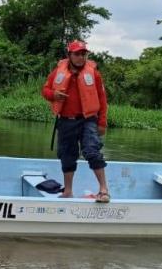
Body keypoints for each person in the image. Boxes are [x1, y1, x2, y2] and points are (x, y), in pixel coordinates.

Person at [41, 40, 110, 203]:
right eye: (77, 54)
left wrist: (102, 122)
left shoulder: (94, 74)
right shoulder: (58, 71)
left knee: (92, 151)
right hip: (66, 121)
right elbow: (45, 90)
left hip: (88, 120)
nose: (81, 57)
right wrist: (54, 95)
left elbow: (102, 98)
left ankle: (104, 190)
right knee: (67, 155)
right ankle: (68, 192)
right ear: (69, 55)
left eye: (83, 54)